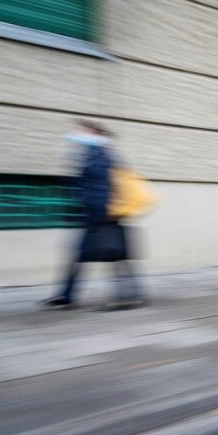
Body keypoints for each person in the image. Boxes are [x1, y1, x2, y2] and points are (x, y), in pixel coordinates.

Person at [42, 121, 142, 310]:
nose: (78, 135)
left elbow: (102, 188)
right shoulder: (94, 153)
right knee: (91, 255)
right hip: (95, 216)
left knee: (113, 257)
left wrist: (99, 215)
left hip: (103, 216)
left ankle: (130, 296)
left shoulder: (102, 155)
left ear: (96, 135)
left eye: (83, 132)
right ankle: (67, 296)